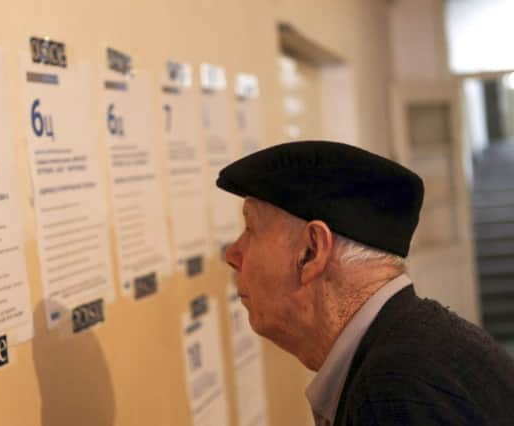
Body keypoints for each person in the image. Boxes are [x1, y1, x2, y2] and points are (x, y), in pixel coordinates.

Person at [217, 141, 514, 426]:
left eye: (250, 229)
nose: (232, 254)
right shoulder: (417, 346)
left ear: (310, 251)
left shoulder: (392, 393)